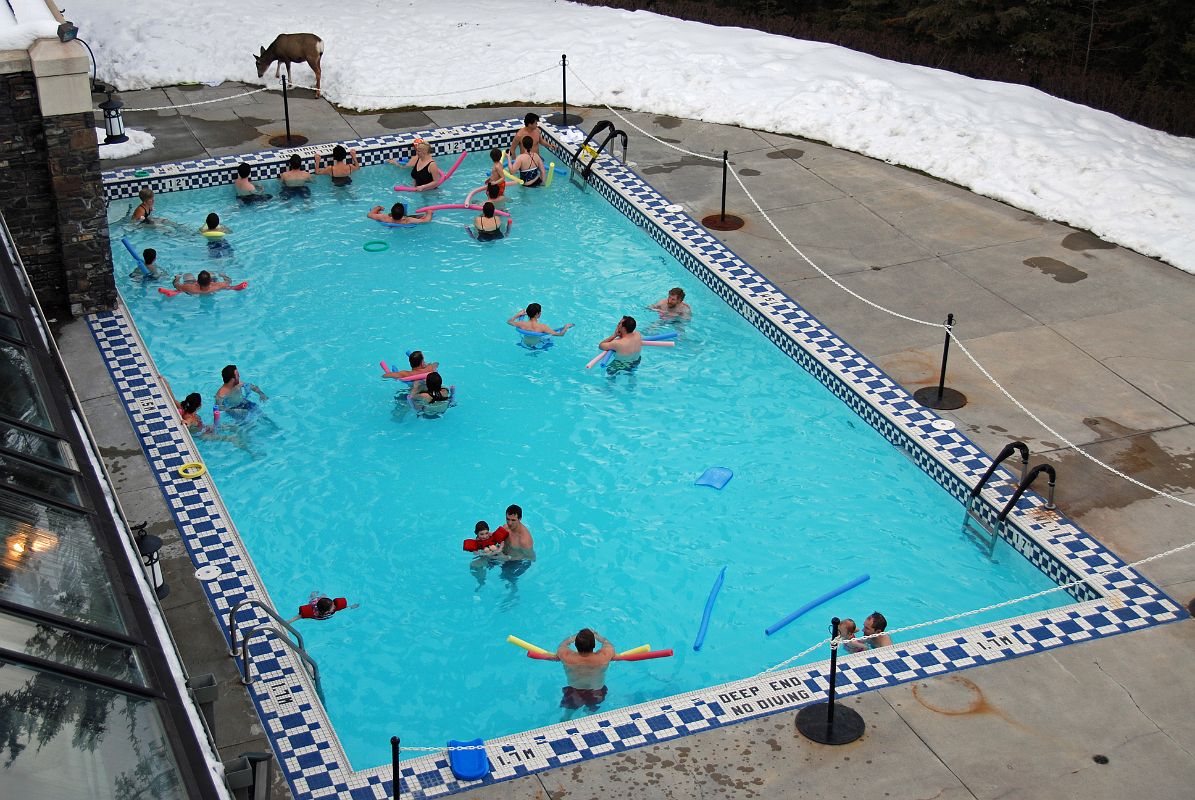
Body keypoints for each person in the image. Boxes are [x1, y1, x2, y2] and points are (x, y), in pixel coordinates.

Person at [556, 628, 615, 715]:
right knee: (590, 714)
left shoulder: (566, 656)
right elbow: (608, 644)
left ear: (576, 644)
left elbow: (562, 645)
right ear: (594, 645)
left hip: (574, 692)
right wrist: (598, 637)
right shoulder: (604, 656)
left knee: (567, 715)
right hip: (596, 692)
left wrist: (572, 638)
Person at [508, 303, 573, 345]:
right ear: (537, 314)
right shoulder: (543, 327)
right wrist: (566, 327)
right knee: (550, 340)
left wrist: (518, 314)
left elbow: (509, 322)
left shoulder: (521, 324)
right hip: (536, 346)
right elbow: (560, 334)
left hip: (524, 344)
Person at [284, 592, 357, 623]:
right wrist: (289, 621)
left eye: (333, 603)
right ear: (326, 612)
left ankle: (319, 596)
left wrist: (351, 606)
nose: (335, 606)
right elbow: (298, 617)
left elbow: (344, 607)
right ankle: (313, 595)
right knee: (313, 599)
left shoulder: (332, 606)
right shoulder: (314, 613)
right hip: (314, 603)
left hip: (319, 602)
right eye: (333, 606)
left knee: (323, 597)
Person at [170, 270, 238, 295]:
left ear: (197, 281)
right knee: (211, 272)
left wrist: (177, 278)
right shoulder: (217, 286)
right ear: (211, 281)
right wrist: (223, 275)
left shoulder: (189, 288)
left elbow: (176, 285)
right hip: (212, 289)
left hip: (193, 290)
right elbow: (228, 282)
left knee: (187, 275)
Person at [367, 202, 433, 225]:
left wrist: (378, 208)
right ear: (403, 214)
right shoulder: (407, 220)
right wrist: (429, 212)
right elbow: (426, 221)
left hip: (391, 220)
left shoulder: (385, 218)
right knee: (422, 216)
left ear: (391, 213)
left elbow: (369, 215)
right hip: (403, 221)